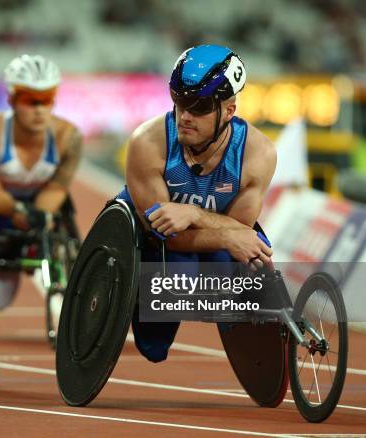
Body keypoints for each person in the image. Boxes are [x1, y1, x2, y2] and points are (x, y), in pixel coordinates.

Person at [116, 44, 277, 362]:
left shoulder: (257, 155)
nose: (185, 116)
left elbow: (241, 232)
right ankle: (138, 296)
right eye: (179, 102)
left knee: (247, 261)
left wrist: (191, 212)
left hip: (204, 237)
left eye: (200, 107)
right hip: (155, 238)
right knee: (155, 341)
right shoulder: (147, 143)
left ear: (229, 111)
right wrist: (226, 232)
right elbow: (167, 235)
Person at [0, 54, 83, 313]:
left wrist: (41, 214)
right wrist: (17, 211)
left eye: (47, 98)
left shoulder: (69, 137)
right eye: (30, 99)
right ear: (12, 99)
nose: (39, 108)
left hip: (40, 203)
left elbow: (57, 188)